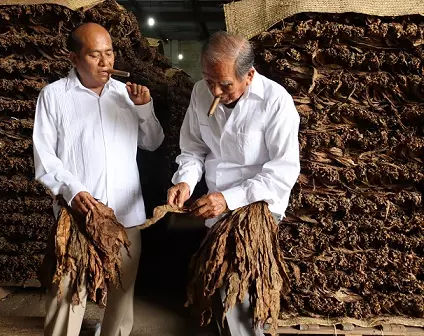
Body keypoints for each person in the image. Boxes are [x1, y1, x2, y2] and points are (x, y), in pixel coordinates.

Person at [33, 22, 164, 336]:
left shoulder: (125, 95)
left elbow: (153, 142)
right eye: (95, 55)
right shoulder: (54, 97)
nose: (106, 62)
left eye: (110, 53)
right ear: (74, 58)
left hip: (126, 213)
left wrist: (144, 108)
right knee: (67, 292)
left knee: (122, 291)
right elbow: (44, 158)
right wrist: (73, 189)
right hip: (80, 214)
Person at [167, 31, 300, 336]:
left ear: (249, 75)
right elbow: (193, 150)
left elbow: (282, 171)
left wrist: (228, 199)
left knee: (238, 288)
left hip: (257, 204)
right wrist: (185, 182)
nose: (214, 91)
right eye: (208, 80)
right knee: (217, 285)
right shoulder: (201, 92)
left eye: (224, 84)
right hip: (216, 207)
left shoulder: (276, 102)